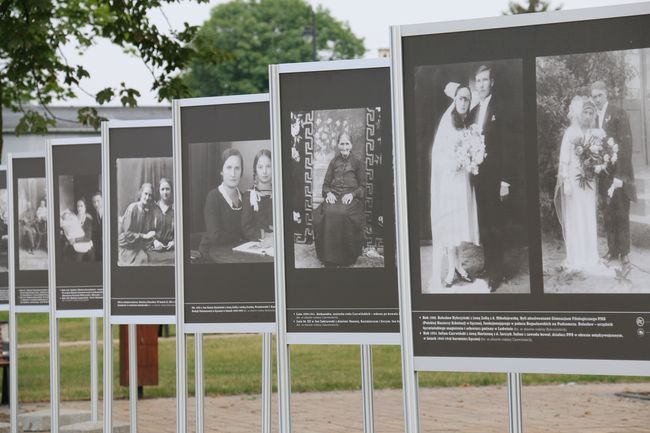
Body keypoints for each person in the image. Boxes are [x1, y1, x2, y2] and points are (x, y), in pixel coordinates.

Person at [429, 84, 479, 290]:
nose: (463, 102)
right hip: (449, 180)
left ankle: (459, 265)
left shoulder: (469, 123)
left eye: (467, 99)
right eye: (460, 98)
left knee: (460, 224)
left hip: (463, 180)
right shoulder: (447, 123)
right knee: (450, 225)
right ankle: (451, 268)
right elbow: (439, 154)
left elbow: (473, 148)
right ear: (455, 100)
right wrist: (454, 161)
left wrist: (471, 156)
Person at [468, 64, 513, 291]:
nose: (482, 84)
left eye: (485, 80)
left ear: (492, 82)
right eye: (478, 80)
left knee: (496, 224)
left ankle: (498, 271)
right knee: (485, 223)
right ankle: (488, 265)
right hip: (479, 177)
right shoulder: (475, 110)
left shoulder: (501, 107)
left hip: (496, 179)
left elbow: (508, 146)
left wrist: (505, 181)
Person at [555, 96, 607, 272]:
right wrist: (566, 181)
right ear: (580, 113)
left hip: (589, 181)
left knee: (588, 214)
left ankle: (590, 255)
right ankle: (577, 255)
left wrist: (598, 165)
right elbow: (564, 159)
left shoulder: (594, 133)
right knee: (575, 215)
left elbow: (598, 156)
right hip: (574, 181)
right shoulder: (571, 132)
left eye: (591, 113)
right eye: (586, 112)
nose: (588, 116)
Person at [592, 81, 636, 266]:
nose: (597, 100)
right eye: (594, 97)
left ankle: (624, 253)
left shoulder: (618, 112)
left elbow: (626, 145)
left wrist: (619, 176)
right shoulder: (594, 117)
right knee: (608, 213)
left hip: (619, 173)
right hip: (603, 174)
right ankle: (612, 250)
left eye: (599, 96)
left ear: (606, 94)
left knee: (621, 211)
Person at [312, 132, 365, 267]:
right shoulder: (333, 162)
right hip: (334, 197)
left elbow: (363, 187)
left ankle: (346, 258)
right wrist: (328, 193)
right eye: (342, 143)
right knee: (328, 213)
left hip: (351, 199)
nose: (345, 146)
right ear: (338, 145)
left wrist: (352, 195)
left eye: (347, 143)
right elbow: (325, 184)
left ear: (351, 145)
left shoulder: (357, 163)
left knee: (343, 213)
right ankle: (328, 258)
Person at [199, 148, 244, 258]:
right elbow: (215, 236)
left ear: (241, 171)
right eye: (228, 168)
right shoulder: (213, 197)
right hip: (211, 254)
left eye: (237, 168)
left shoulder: (245, 197)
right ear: (221, 171)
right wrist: (239, 237)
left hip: (236, 253)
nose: (233, 174)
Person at [118, 183, 156, 266]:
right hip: (126, 246)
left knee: (148, 257)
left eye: (150, 195)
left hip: (137, 245)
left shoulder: (148, 211)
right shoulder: (132, 208)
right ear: (141, 193)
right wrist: (144, 236)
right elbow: (127, 234)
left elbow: (148, 231)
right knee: (143, 259)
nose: (147, 197)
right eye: (145, 194)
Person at [242, 149, 273, 248]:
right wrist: (266, 235)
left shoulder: (279, 194)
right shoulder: (249, 195)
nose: (264, 171)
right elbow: (245, 228)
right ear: (255, 170)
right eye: (260, 167)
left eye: (268, 166)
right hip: (258, 244)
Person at [152, 178, 174, 251]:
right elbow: (146, 229)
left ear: (171, 190)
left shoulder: (175, 209)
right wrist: (154, 241)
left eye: (167, 189)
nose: (165, 192)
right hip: (155, 248)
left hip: (171, 249)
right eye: (162, 189)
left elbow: (181, 230)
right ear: (159, 190)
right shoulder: (153, 208)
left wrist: (175, 242)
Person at [91, 192, 103, 260]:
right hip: (98, 243)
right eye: (94, 202)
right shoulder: (94, 213)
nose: (96, 204)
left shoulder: (107, 212)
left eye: (98, 201)